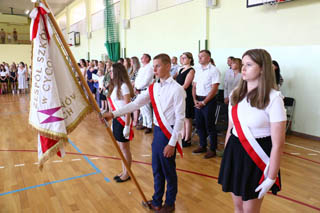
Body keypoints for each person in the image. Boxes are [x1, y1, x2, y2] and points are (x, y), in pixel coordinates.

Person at [103, 54, 185, 213]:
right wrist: (113, 114)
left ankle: (170, 203)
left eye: (158, 66)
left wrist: (172, 143)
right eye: (153, 66)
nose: (154, 69)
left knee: (168, 171)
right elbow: (135, 104)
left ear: (168, 66)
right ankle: (156, 200)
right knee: (156, 169)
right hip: (158, 132)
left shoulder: (177, 89)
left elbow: (180, 119)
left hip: (168, 134)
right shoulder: (153, 87)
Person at [218, 49, 286, 212]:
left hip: (257, 157)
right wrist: (227, 157)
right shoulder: (236, 94)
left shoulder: (274, 99)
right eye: (242, 64)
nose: (243, 68)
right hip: (235, 152)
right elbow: (230, 128)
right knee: (238, 206)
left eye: (249, 65)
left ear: (262, 69)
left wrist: (271, 176)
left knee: (250, 210)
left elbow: (278, 144)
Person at [107, 63, 135, 182]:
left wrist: (127, 126)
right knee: (120, 148)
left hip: (123, 120)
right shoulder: (116, 87)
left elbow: (128, 108)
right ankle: (124, 170)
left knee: (124, 148)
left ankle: (127, 173)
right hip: (116, 120)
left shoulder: (124, 87)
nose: (110, 73)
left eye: (112, 71)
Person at [192, 50, 221, 159]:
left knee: (210, 125)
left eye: (202, 57)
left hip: (208, 100)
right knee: (199, 124)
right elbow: (194, 86)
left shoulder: (214, 70)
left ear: (208, 58)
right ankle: (202, 145)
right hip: (198, 99)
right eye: (199, 56)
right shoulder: (198, 70)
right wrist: (195, 100)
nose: (199, 59)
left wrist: (204, 102)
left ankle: (212, 149)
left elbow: (214, 89)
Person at [175, 52, 195, 147]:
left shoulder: (191, 70)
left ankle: (187, 138)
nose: (182, 60)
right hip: (180, 95)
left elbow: (186, 85)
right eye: (181, 58)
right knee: (182, 117)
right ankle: (182, 136)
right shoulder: (181, 69)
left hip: (186, 95)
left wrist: (177, 92)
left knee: (187, 118)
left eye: (184, 58)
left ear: (190, 59)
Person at [134, 53, 154, 134]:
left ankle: (149, 125)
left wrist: (138, 87)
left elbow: (146, 80)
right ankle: (144, 123)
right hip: (139, 90)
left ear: (147, 59)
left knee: (146, 108)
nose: (141, 58)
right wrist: (136, 87)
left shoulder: (149, 68)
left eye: (143, 57)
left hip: (145, 90)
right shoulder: (142, 68)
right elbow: (138, 78)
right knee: (142, 108)